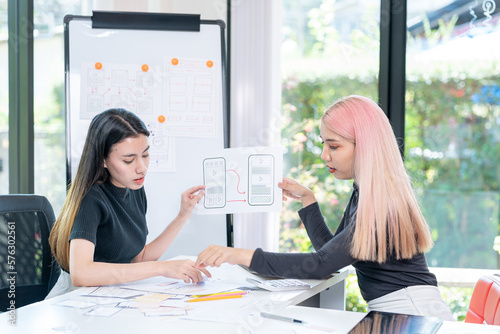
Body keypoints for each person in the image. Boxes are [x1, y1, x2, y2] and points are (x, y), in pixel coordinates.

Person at [195, 95, 454, 320]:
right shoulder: (367, 193)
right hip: (401, 310)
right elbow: (331, 254)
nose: (324, 155)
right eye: (324, 144)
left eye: (334, 146)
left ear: (364, 146)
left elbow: (320, 265)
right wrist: (308, 201)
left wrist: (238, 254)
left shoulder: (382, 205)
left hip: (412, 311)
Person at [47, 108, 210, 298]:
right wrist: (161, 268)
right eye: (129, 160)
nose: (142, 168)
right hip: (76, 299)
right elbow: (81, 274)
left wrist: (183, 216)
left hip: (110, 295)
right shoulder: (91, 199)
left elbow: (138, 259)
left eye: (145, 155)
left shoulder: (135, 189)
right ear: (103, 161)